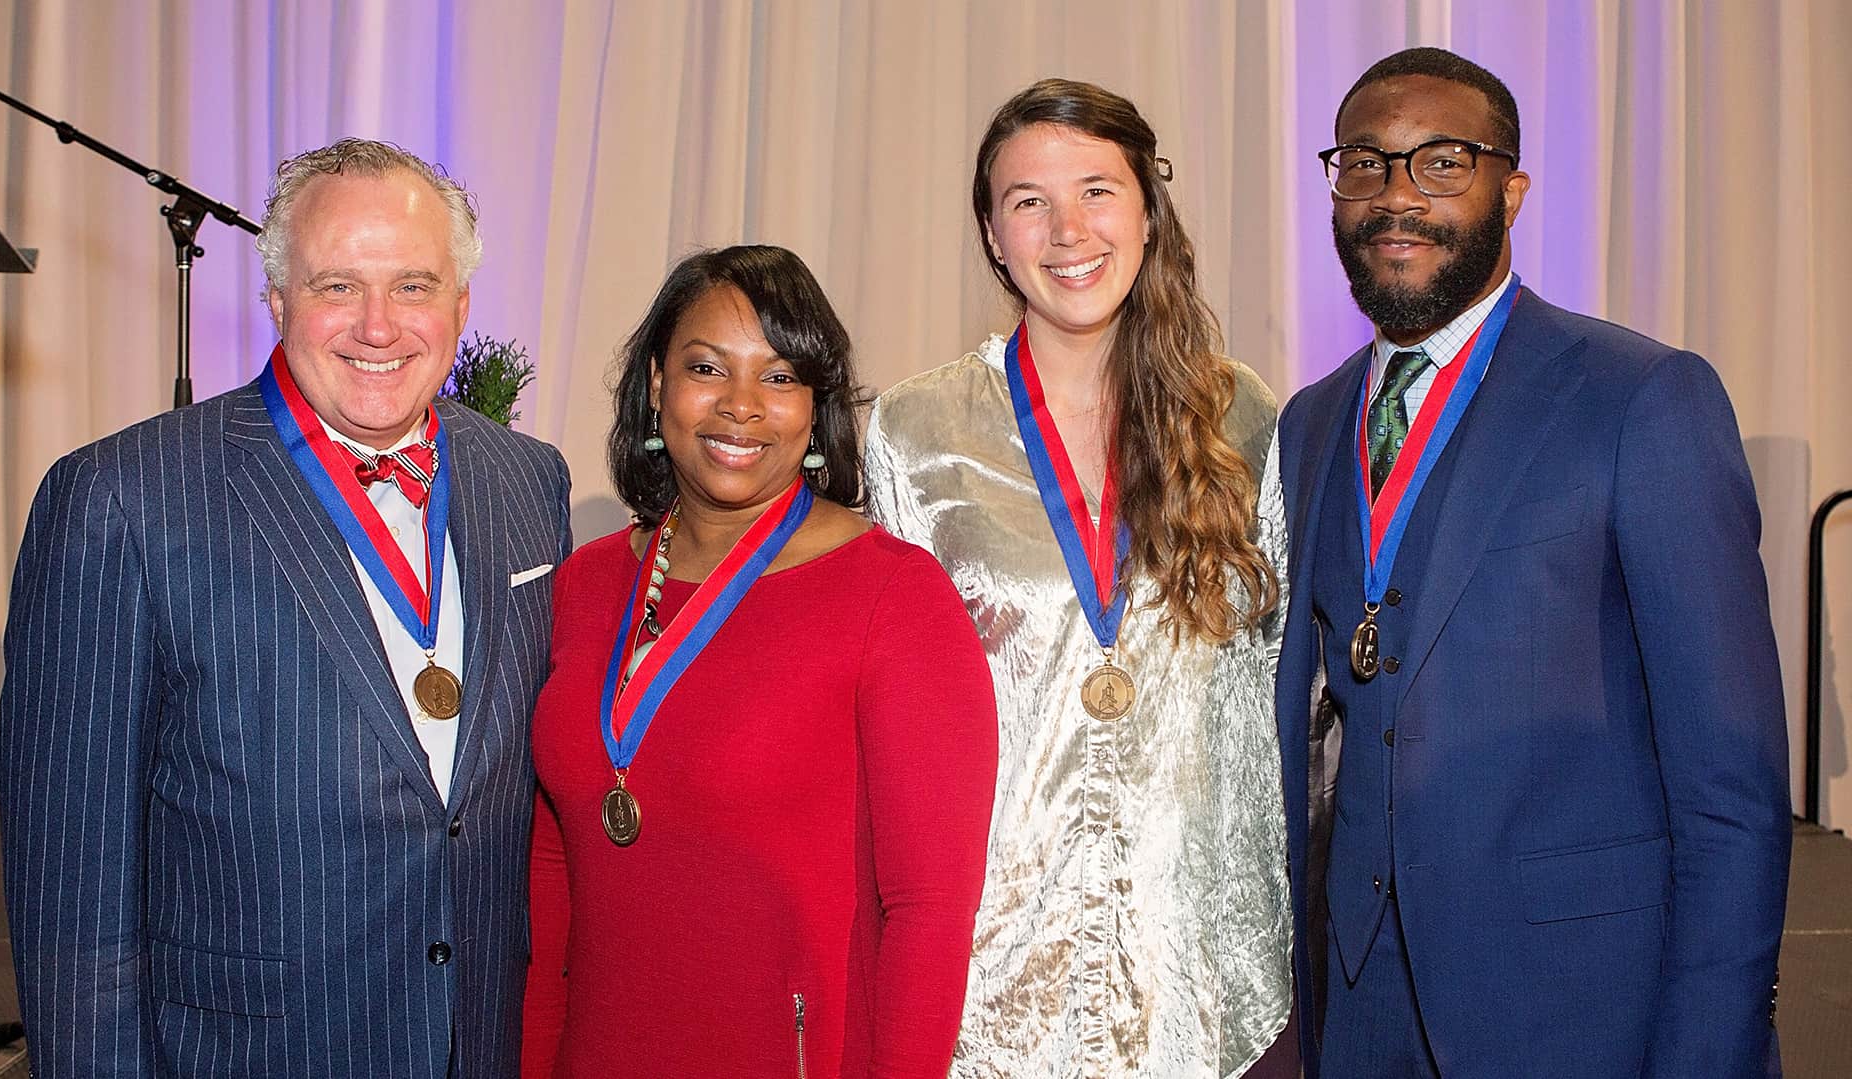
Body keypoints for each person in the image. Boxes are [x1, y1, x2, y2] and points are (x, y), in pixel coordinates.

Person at [0, 138, 572, 1077]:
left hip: (479, 1042)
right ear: (276, 303)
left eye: (415, 286)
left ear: (462, 307)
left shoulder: (526, 479)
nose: (378, 326)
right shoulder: (122, 498)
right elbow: (72, 899)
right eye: (338, 285)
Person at [1275, 47, 1791, 1077]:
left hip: (1576, 1014)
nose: (1396, 196)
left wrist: (1708, 1053)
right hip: (1355, 1015)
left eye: (1441, 163)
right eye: (1366, 164)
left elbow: (1731, 791)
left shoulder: (1643, 398)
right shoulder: (1310, 421)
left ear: (1510, 190)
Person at [865, 80, 1292, 1077]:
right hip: (999, 985)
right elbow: (889, 722)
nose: (1069, 230)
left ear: (1148, 207)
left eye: (1097, 190)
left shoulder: (1247, 421)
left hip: (1213, 982)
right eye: (1029, 202)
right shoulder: (916, 430)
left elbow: (1280, 679)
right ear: (992, 233)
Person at [522, 244, 998, 1078]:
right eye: (707, 366)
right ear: (656, 387)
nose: (741, 405)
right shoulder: (587, 583)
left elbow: (929, 914)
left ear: (815, 410)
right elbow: (554, 865)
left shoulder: (894, 597)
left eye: (779, 377)